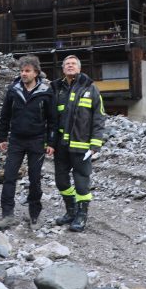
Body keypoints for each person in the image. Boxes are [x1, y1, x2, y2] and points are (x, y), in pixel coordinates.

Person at [0, 55, 56, 230]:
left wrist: (51, 142)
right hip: (16, 141)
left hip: (37, 141)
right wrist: (3, 138)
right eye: (21, 70)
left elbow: (52, 120)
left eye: (27, 71)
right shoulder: (13, 90)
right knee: (9, 176)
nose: (23, 74)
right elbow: (5, 116)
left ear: (36, 72)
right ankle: (7, 215)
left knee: (35, 179)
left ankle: (34, 214)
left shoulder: (46, 91)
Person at [51, 55, 106, 232]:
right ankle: (71, 210)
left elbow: (99, 117)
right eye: (67, 64)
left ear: (79, 68)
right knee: (61, 181)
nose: (70, 66)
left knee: (81, 183)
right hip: (61, 146)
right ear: (63, 69)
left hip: (82, 146)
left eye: (73, 63)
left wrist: (95, 144)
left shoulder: (91, 88)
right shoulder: (57, 89)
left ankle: (81, 215)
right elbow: (51, 119)